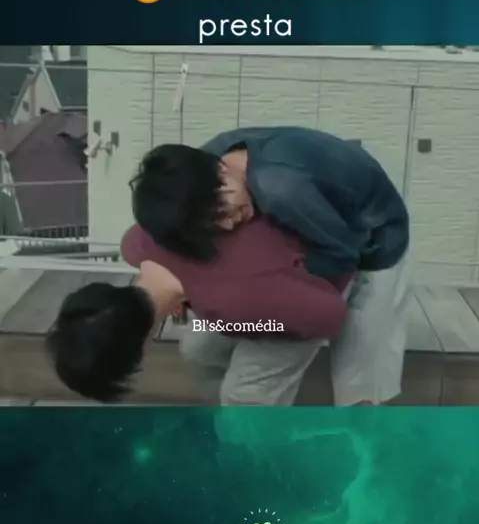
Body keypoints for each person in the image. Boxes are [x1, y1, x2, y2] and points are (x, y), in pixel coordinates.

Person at [130, 127, 411, 406]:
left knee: (358, 375)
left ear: (222, 172)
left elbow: (340, 257)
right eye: (212, 224)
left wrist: (275, 306)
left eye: (222, 212)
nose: (227, 225)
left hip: (371, 237)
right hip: (313, 211)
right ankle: (247, 423)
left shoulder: (282, 190)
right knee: (201, 350)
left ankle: (366, 430)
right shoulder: (197, 171)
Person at [47, 217, 354, 405]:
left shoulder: (229, 305)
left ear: (140, 350)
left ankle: (260, 449)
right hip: (262, 271)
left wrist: (256, 327)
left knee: (244, 396)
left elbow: (328, 315)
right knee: (197, 349)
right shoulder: (135, 244)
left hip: (319, 275)